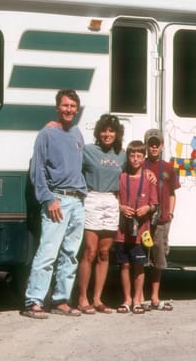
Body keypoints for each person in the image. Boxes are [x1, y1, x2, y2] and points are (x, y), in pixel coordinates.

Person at [21, 89, 87, 319]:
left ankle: (61, 300)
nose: (69, 110)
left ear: (77, 110)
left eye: (73, 106)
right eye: (65, 105)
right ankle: (33, 301)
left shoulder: (77, 134)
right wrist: (49, 199)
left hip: (77, 201)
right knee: (48, 252)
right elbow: (37, 170)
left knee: (70, 253)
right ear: (57, 108)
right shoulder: (46, 134)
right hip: (57, 200)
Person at [76, 114, 126, 315]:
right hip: (92, 198)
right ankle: (82, 298)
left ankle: (97, 299)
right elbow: (74, 171)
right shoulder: (88, 150)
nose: (107, 134)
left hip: (112, 201)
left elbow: (136, 169)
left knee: (105, 254)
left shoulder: (122, 154)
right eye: (104, 130)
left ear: (117, 134)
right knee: (90, 251)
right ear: (98, 132)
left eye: (111, 131)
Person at [114, 140, 157, 315]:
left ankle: (138, 298)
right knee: (124, 265)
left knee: (139, 265)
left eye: (139, 156)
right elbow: (115, 198)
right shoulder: (122, 177)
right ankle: (127, 299)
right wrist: (121, 208)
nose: (135, 159)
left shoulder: (148, 178)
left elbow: (154, 203)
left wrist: (147, 208)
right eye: (132, 155)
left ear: (144, 157)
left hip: (141, 230)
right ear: (128, 156)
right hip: (122, 230)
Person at [143, 128, 180, 311]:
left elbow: (172, 193)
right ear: (146, 146)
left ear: (162, 146)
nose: (154, 146)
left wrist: (171, 214)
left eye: (157, 144)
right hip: (142, 220)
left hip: (162, 220)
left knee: (158, 258)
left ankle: (155, 297)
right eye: (151, 143)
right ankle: (139, 297)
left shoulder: (168, 168)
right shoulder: (140, 165)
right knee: (141, 258)